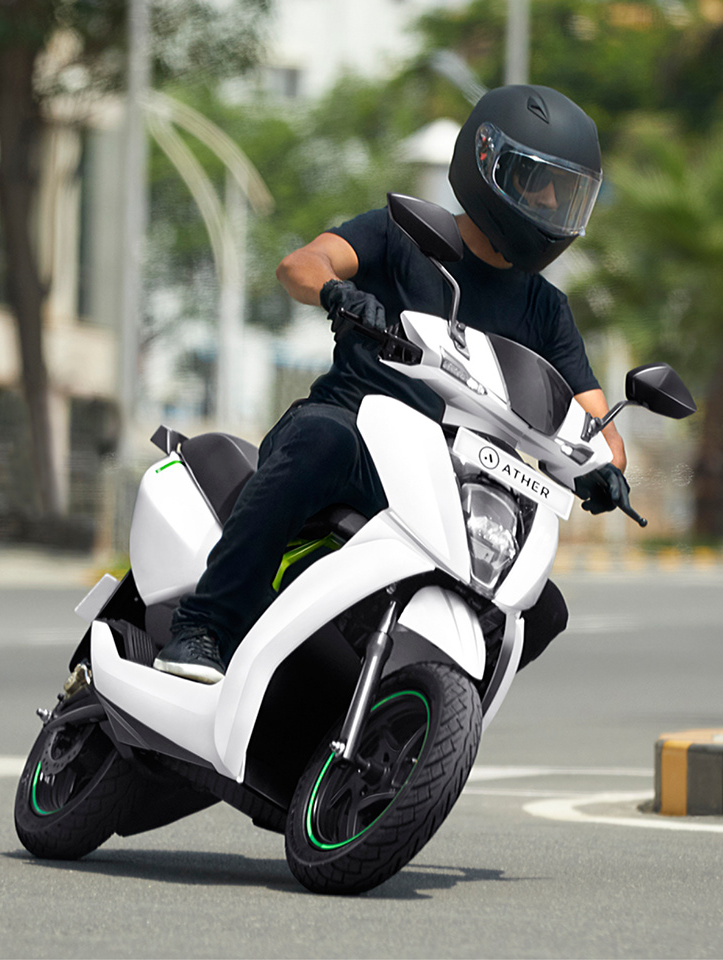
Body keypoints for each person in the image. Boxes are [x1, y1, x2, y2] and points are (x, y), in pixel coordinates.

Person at [153, 84, 638, 684]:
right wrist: (336, 291)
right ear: (488, 165)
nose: (548, 204)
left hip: (451, 486)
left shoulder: (547, 311)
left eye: (564, 195)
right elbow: (300, 264)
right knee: (320, 440)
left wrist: (604, 466)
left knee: (542, 607)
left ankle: (418, 721)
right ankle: (203, 628)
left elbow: (599, 429)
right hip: (357, 442)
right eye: (536, 183)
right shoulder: (404, 233)